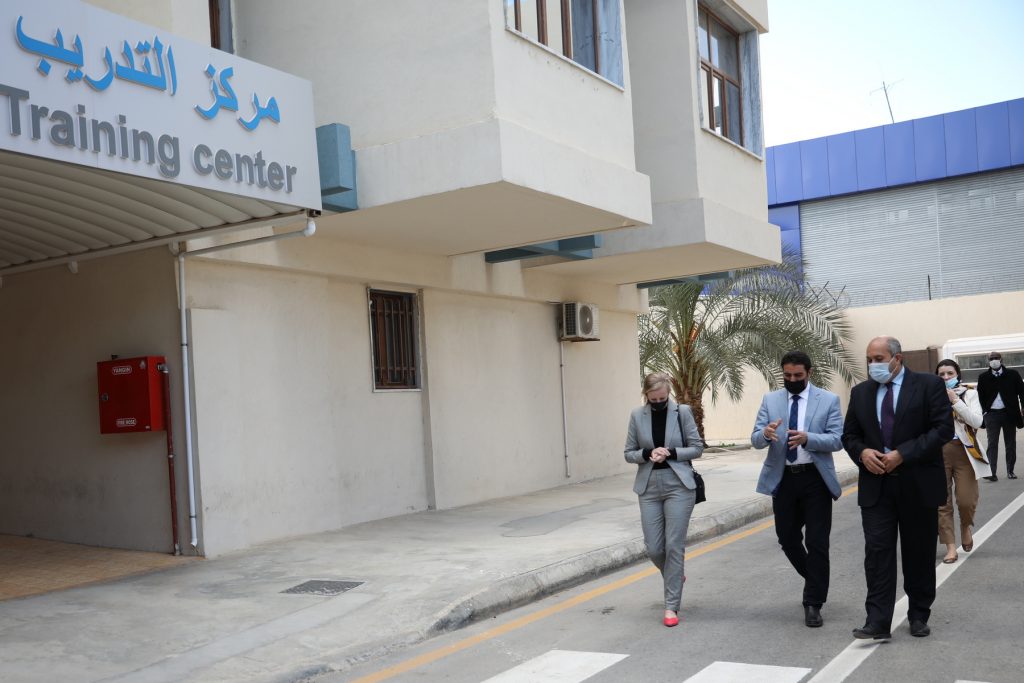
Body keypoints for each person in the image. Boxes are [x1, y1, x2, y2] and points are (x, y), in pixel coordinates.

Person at [842, 336, 953, 640]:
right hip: (876, 486)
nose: (872, 365)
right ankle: (877, 621)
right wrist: (862, 453)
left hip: (918, 484)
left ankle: (918, 614)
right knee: (877, 553)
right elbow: (849, 436)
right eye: (869, 359)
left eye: (878, 359)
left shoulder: (928, 385)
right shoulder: (861, 392)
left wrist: (903, 453)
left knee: (919, 552)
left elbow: (943, 429)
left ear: (897, 359)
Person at [751, 351, 844, 628]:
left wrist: (808, 438)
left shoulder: (828, 400)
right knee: (787, 538)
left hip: (815, 478)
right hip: (784, 479)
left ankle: (813, 602)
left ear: (809, 373)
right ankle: (816, 579)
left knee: (817, 541)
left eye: (798, 375)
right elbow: (755, 439)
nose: (792, 380)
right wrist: (765, 434)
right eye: (787, 375)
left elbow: (837, 440)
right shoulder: (771, 400)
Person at [624, 372, 703, 628]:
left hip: (678, 485)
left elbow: (697, 448)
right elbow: (629, 453)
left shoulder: (683, 412)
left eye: (662, 398)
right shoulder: (637, 415)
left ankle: (671, 606)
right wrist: (648, 453)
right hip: (648, 486)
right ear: (645, 395)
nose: (658, 402)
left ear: (668, 392)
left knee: (674, 545)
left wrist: (670, 452)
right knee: (654, 548)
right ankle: (674, 575)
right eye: (653, 399)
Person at [935, 359, 990, 564]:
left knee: (966, 499)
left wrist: (955, 401)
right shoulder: (931, 396)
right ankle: (950, 546)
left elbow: (977, 421)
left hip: (964, 450)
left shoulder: (969, 393)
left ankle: (966, 525)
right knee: (942, 502)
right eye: (941, 374)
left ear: (957, 374)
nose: (946, 377)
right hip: (938, 451)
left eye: (949, 373)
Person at [976, 351, 1024, 481]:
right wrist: (985, 411)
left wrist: (1023, 408)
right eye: (991, 358)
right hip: (992, 415)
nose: (994, 360)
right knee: (992, 444)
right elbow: (980, 395)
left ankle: (1010, 471)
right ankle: (991, 472)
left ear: (1001, 359)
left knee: (1010, 443)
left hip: (1009, 414)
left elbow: (1022, 392)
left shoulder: (1012, 374)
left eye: (996, 358)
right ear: (988, 361)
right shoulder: (983, 377)